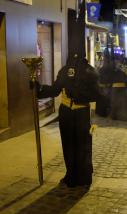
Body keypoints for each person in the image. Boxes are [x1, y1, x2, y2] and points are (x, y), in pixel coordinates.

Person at [36, 53, 101, 187]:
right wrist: (39, 88)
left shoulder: (91, 71)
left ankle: (84, 177)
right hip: (66, 112)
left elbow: (97, 94)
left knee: (83, 146)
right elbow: (55, 90)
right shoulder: (65, 70)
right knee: (68, 146)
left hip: (82, 112)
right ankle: (70, 175)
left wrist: (78, 95)